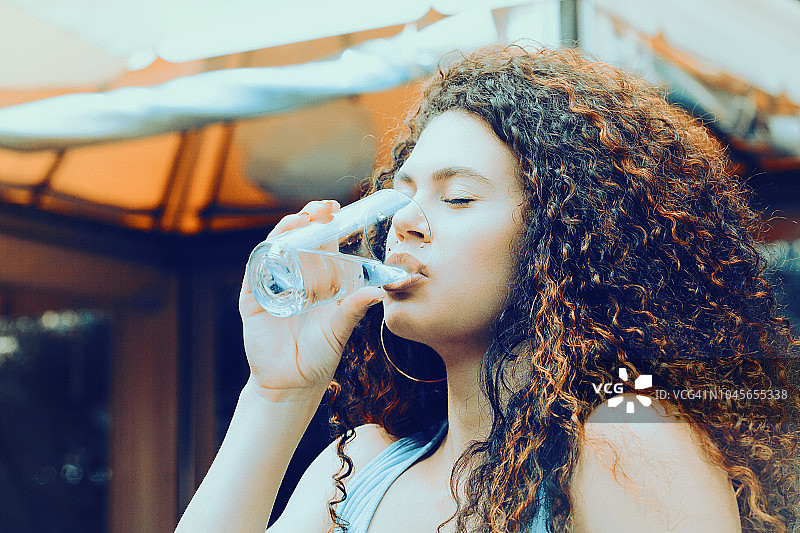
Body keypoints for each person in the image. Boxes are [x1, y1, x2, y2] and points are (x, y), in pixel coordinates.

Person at [175, 45, 800, 533]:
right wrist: (276, 395)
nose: (406, 222)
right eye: (403, 193)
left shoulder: (626, 442)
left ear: (565, 237)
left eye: (457, 197)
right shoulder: (362, 467)